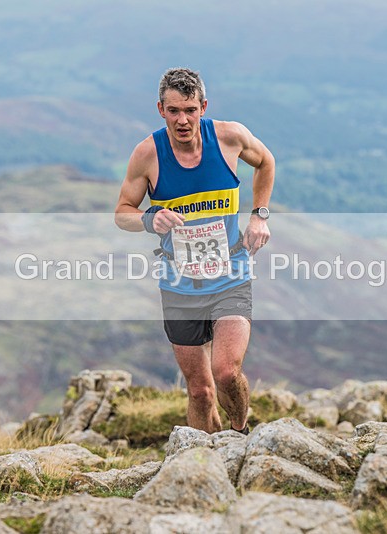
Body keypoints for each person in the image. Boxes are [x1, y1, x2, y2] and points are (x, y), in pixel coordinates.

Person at [114, 67, 275, 434]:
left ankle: (239, 432)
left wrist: (259, 217)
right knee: (200, 391)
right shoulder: (147, 154)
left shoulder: (230, 138)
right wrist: (148, 219)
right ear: (160, 110)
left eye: (189, 110)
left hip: (229, 276)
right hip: (179, 286)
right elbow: (121, 213)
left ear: (203, 106)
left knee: (225, 371)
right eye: (173, 111)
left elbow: (266, 162)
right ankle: (203, 459)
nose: (182, 120)